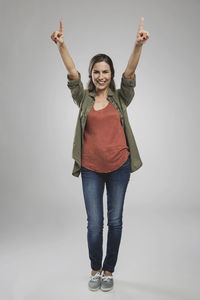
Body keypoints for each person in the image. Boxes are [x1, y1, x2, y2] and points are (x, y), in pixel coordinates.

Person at [50, 18, 150, 292]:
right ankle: (95, 268)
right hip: (91, 169)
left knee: (115, 221)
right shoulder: (84, 99)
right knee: (95, 224)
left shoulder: (121, 98)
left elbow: (130, 72)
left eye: (105, 71)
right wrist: (61, 45)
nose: (101, 76)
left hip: (119, 166)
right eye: (96, 72)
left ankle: (109, 270)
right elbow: (72, 73)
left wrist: (137, 44)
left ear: (111, 74)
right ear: (92, 74)